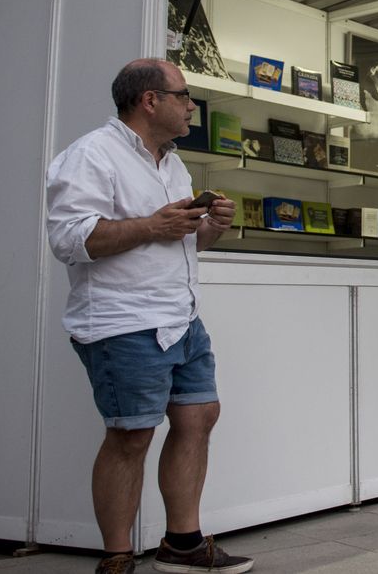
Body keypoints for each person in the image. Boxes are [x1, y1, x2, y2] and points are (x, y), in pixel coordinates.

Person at [45, 59, 253, 574]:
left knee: (198, 417)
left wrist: (210, 227)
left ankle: (182, 544)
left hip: (180, 318)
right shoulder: (91, 155)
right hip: (123, 322)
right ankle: (116, 557)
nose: (191, 107)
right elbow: (69, 240)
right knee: (131, 435)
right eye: (183, 96)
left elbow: (179, 241)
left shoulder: (173, 164)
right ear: (149, 100)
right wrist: (152, 225)